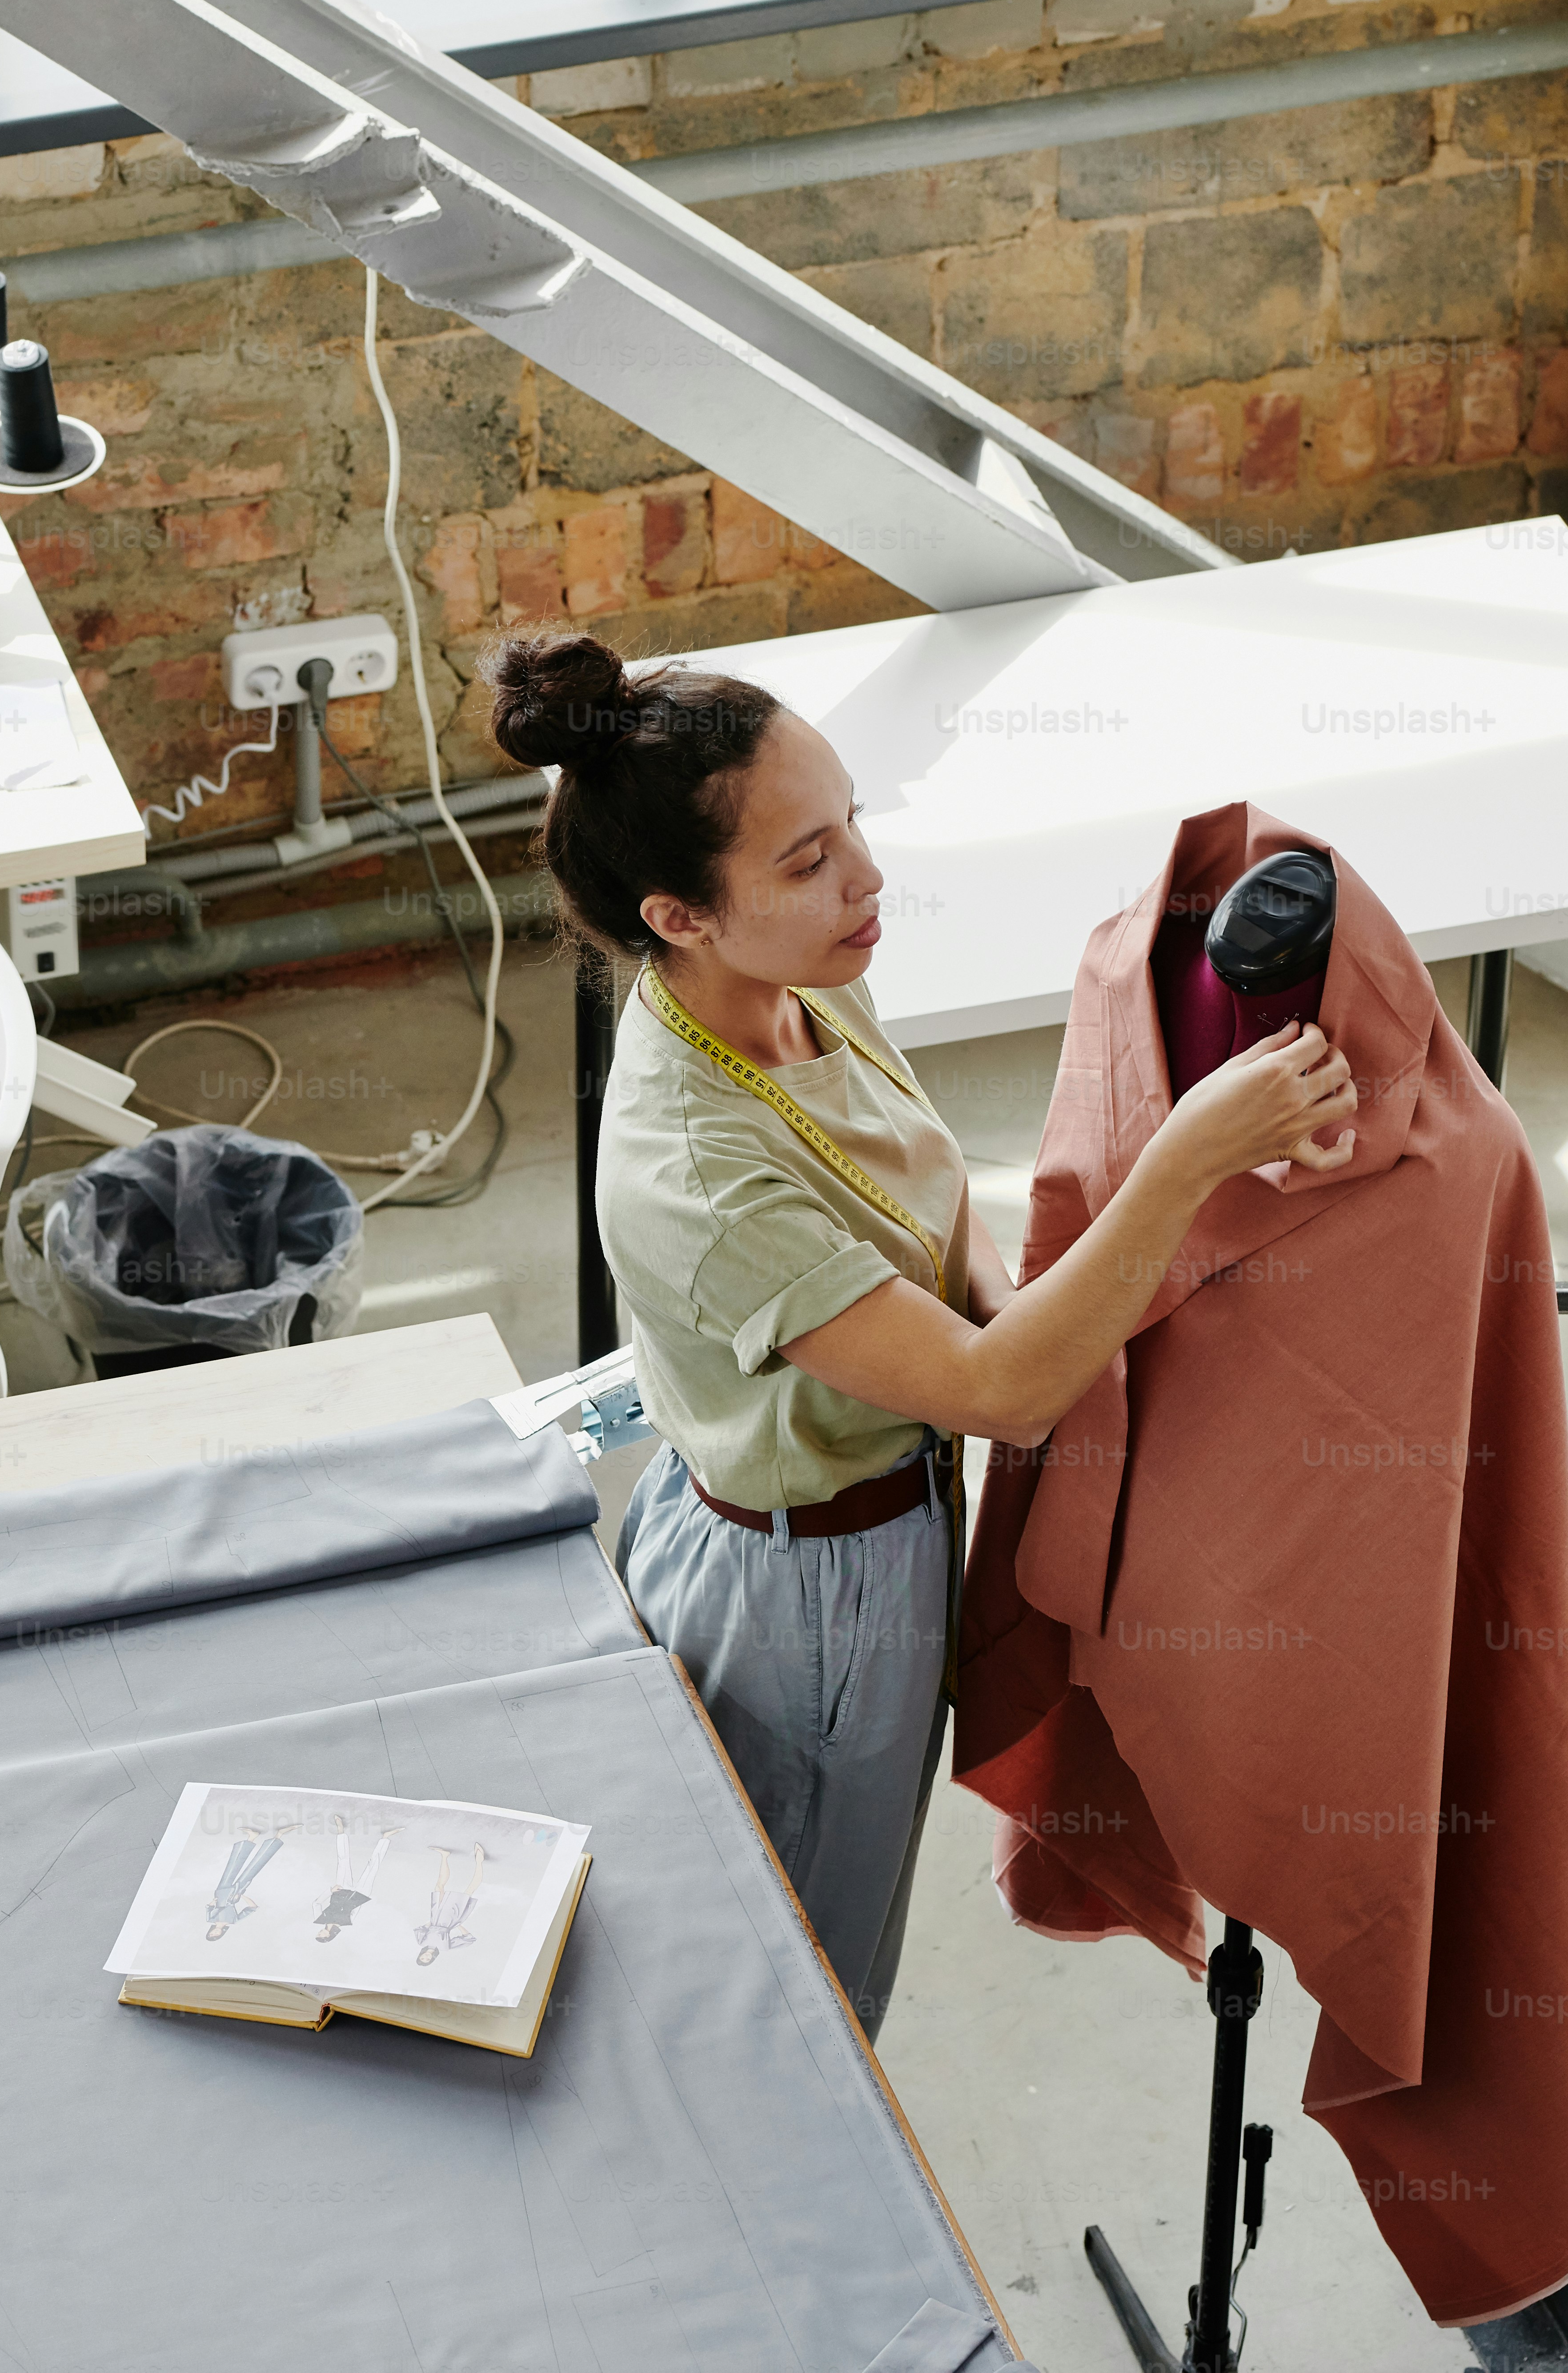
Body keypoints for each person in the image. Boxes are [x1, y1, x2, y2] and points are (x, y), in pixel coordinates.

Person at [480, 629, 1357, 2036]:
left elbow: (944, 1249)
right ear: (680, 917)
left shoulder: (802, 986)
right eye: (807, 860)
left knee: (782, 1940)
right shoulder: (697, 1169)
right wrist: (1182, 1166)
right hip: (809, 1594)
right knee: (802, 1998)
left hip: (853, 1530)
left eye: (853, 826)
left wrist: (1082, 1316)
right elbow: (995, 1391)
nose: (867, 881)